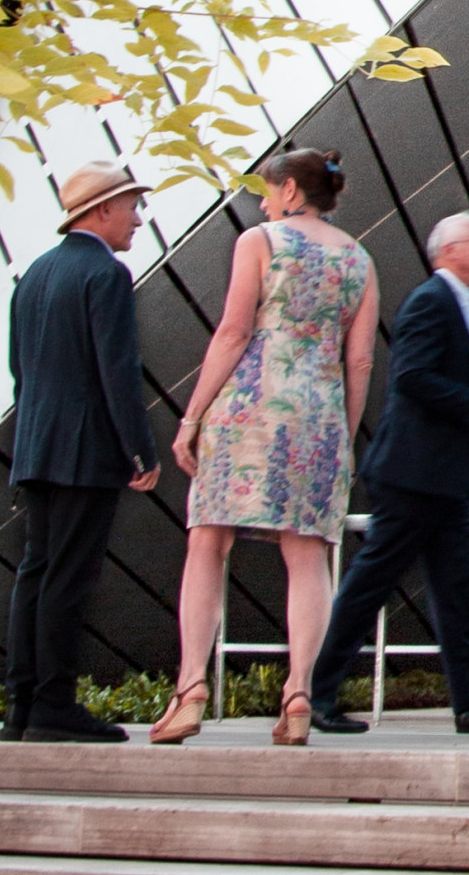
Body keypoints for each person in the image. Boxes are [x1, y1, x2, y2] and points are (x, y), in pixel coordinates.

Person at [148, 149, 376, 749]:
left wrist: (190, 417)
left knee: (209, 541)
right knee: (308, 556)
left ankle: (191, 688)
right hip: (320, 418)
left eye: (267, 190)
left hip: (248, 407)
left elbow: (233, 332)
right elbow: (360, 359)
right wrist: (342, 439)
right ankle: (299, 693)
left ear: (293, 193)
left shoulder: (260, 241)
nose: (261, 201)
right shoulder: (358, 259)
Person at [309, 213, 469, 739]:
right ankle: (316, 696)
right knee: (370, 584)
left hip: (443, 479)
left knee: (454, 594)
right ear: (450, 249)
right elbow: (411, 377)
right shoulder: (430, 302)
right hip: (414, 476)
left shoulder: (459, 307)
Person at [2, 162, 162, 740]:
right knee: (68, 578)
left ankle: (21, 706)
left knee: (36, 573)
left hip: (36, 446)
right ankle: (53, 706)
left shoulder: (35, 274)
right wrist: (140, 452)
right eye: (131, 207)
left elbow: (19, 369)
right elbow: (117, 371)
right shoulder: (107, 275)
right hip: (84, 450)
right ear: (101, 211)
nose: (138, 220)